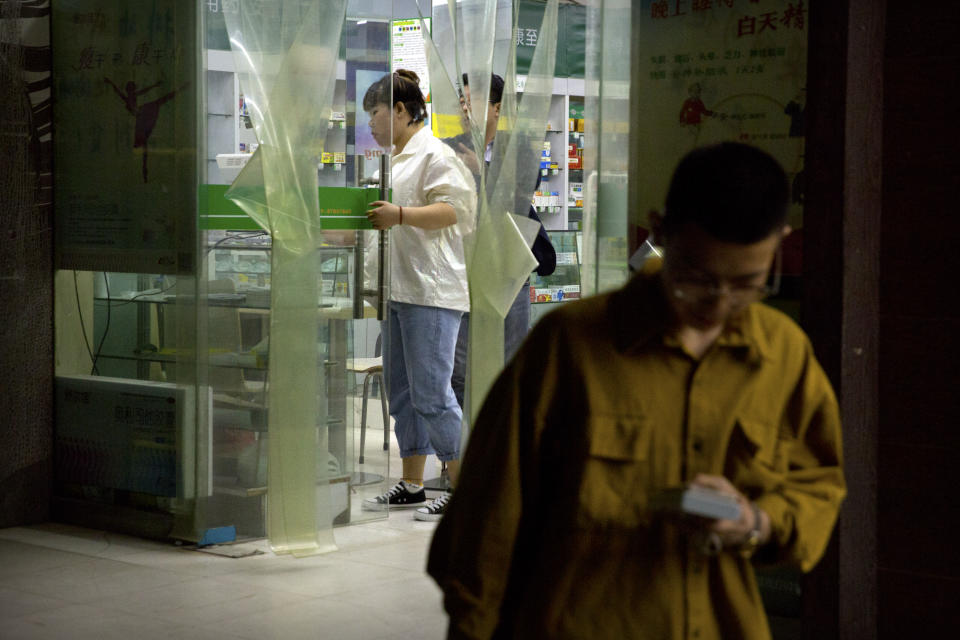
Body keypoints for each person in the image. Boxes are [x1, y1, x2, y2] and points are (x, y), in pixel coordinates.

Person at [427, 142, 846, 639]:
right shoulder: (570, 346)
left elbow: (817, 485)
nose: (719, 302)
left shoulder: (782, 355)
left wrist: (756, 522)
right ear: (659, 231)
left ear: (780, 243)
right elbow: (485, 523)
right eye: (696, 277)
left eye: (749, 284)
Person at [360, 70, 476, 521]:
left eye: (376, 112)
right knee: (404, 392)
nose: (370, 122)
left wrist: (402, 213)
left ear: (402, 111)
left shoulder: (435, 154)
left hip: (431, 293)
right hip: (398, 290)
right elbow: (368, 222)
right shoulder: (392, 161)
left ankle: (460, 485)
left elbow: (455, 210)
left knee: (433, 392)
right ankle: (411, 483)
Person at [449, 73, 556, 410]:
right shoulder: (451, 147)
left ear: (497, 108)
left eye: (475, 99)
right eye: (463, 100)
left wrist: (480, 168)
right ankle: (462, 450)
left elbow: (523, 190)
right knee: (459, 368)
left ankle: (507, 446)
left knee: (510, 363)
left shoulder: (517, 146)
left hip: (509, 267)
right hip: (464, 269)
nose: (466, 107)